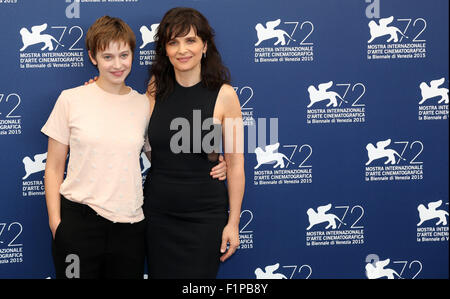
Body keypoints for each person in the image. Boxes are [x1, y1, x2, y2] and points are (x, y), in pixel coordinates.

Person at [42, 15, 227, 279]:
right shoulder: (71, 100)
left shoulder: (145, 103)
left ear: (133, 55)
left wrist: (218, 161)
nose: (117, 65)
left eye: (124, 55)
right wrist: (56, 225)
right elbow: (53, 167)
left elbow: (163, 150)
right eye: (107, 57)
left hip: (130, 228)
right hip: (78, 225)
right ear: (93, 57)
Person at [143, 7, 245, 278]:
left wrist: (233, 223)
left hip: (204, 217)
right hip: (158, 214)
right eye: (173, 42)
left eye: (190, 40)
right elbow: (147, 145)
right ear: (165, 49)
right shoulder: (155, 89)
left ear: (204, 45)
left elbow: (235, 165)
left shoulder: (225, 95)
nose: (182, 49)